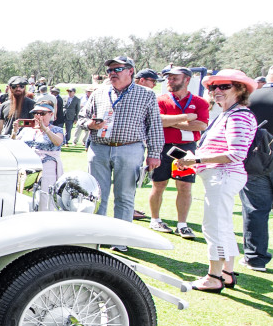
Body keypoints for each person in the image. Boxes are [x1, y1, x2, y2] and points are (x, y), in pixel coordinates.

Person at [174, 69, 258, 292]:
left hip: (224, 174)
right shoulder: (229, 114)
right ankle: (227, 273)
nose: (216, 91)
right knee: (223, 225)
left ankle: (214, 277)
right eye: (213, 87)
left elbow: (235, 153)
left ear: (240, 90)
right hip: (221, 175)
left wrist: (195, 158)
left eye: (224, 86)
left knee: (214, 226)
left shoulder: (239, 115)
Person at [77, 56, 165, 251]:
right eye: (109, 70)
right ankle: (96, 238)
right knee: (97, 195)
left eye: (118, 69)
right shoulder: (99, 93)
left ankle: (120, 240)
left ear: (131, 71)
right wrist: (89, 124)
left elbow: (155, 127)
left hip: (130, 147)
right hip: (99, 148)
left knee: (125, 195)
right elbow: (81, 118)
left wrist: (155, 153)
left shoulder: (146, 95)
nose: (112, 73)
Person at [148, 66, 208, 239]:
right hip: (163, 146)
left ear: (187, 80)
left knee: (185, 186)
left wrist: (171, 121)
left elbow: (201, 125)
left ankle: (182, 224)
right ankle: (155, 219)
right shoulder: (161, 100)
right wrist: (186, 117)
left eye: (174, 78)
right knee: (159, 184)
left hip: (187, 148)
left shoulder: (200, 102)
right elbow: (158, 120)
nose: (170, 81)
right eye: (169, 78)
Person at [240, 61, 273, 272]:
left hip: (255, 159)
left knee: (255, 209)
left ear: (272, 75)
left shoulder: (252, 97)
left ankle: (255, 259)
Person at [15, 99, 65, 189]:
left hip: (47, 169)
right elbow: (14, 146)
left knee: (45, 197)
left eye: (42, 113)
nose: (38, 116)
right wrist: (14, 132)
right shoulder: (27, 130)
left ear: (51, 114)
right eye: (35, 113)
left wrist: (45, 129)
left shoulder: (57, 130)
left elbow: (58, 142)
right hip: (27, 168)